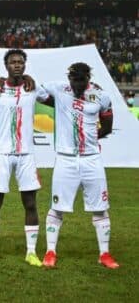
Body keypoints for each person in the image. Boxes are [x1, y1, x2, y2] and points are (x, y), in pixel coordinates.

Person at [39, 62, 118, 269]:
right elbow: (38, 89)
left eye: (81, 81)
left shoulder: (101, 96)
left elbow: (108, 126)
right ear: (69, 79)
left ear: (88, 79)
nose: (77, 85)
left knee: (100, 208)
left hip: (91, 159)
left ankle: (104, 254)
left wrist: (91, 137)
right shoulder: (59, 89)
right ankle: (50, 252)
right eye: (74, 80)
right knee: (57, 207)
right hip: (65, 159)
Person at [0, 49, 48, 267]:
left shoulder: (33, 87)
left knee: (30, 203)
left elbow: (59, 99)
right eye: (12, 62)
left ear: (25, 66)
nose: (17, 65)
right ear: (6, 65)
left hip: (26, 154)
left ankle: (31, 252)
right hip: (1, 154)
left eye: (20, 62)